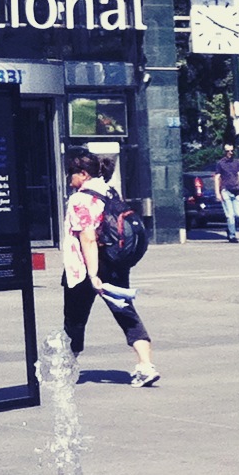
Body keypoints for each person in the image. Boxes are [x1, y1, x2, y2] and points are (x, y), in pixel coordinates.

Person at [61, 148, 159, 385]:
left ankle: (67, 367)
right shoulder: (109, 190)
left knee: (75, 317)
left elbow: (88, 237)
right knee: (125, 311)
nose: (69, 179)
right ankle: (146, 365)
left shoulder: (80, 199)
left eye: (71, 174)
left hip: (87, 267)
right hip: (116, 262)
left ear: (83, 174)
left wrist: (93, 274)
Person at [213, 144, 239, 242]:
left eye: (232, 151)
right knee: (230, 215)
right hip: (225, 191)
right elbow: (217, 178)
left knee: (238, 214)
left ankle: (230, 228)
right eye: (228, 151)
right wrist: (217, 193)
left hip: (236, 191)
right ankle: (232, 235)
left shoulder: (236, 163)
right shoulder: (220, 163)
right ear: (224, 152)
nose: (230, 153)